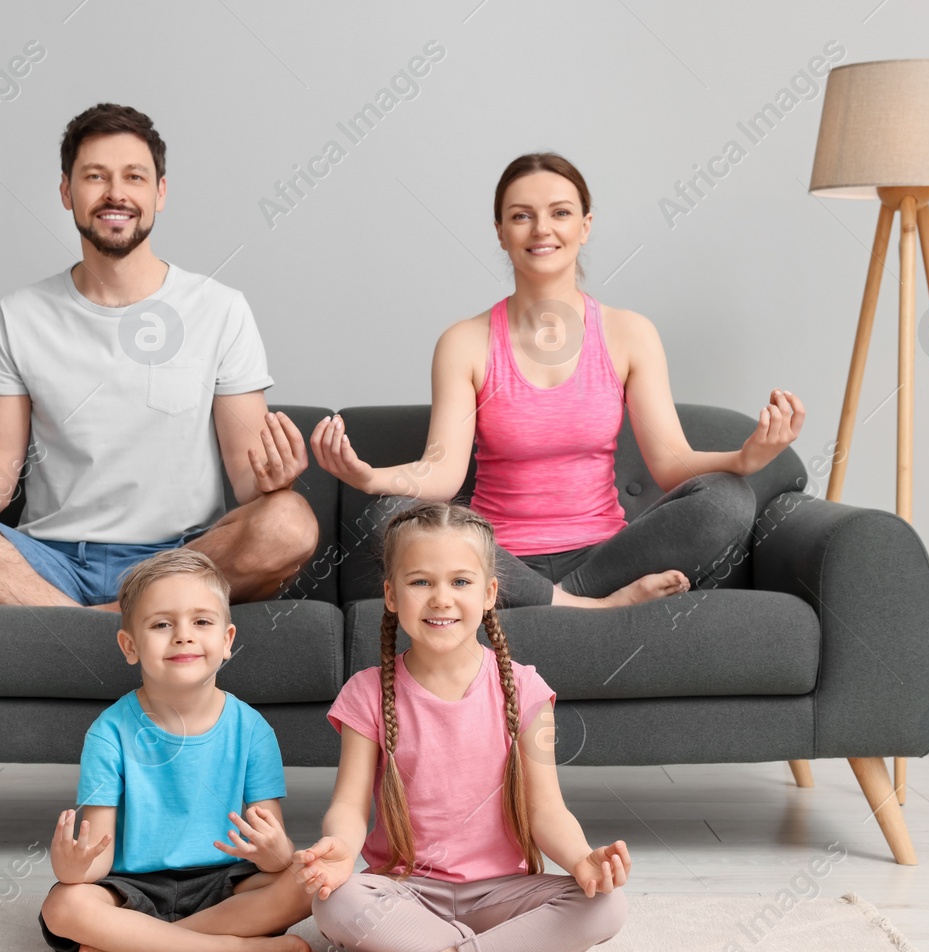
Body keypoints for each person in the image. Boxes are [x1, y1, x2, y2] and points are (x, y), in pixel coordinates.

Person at [0, 102, 318, 612]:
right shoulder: (20, 315)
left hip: (180, 560)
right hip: (49, 563)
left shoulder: (220, 309)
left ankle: (92, 623)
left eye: (134, 177)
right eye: (95, 176)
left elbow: (252, 480)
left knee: (290, 520)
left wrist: (278, 478)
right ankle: (96, 622)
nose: (116, 193)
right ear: (66, 192)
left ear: (159, 192)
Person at [312, 152, 804, 610]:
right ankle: (580, 608)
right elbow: (441, 475)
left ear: (585, 226)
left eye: (561, 213)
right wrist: (370, 478)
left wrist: (746, 459)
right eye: (522, 215)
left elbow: (673, 464)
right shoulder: (464, 342)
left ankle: (570, 596)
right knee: (390, 515)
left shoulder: (629, 333)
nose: (541, 228)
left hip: (609, 557)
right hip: (496, 561)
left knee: (729, 498)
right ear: (501, 231)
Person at [294, 502, 631, 952]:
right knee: (334, 905)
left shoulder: (526, 689)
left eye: (460, 582)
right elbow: (348, 803)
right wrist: (341, 849)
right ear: (390, 595)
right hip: (405, 890)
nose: (440, 599)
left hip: (502, 893)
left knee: (606, 907)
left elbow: (546, 810)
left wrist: (583, 859)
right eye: (420, 582)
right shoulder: (365, 693)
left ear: (490, 593)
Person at [37, 548, 318, 952]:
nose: (183, 635)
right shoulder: (108, 732)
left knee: (305, 884)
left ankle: (132, 947)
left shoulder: (252, 729)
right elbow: (97, 858)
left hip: (222, 883)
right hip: (133, 888)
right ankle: (231, 951)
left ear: (226, 642)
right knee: (64, 904)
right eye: (162, 624)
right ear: (130, 646)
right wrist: (71, 867)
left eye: (201, 621)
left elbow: (271, 854)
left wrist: (280, 853)